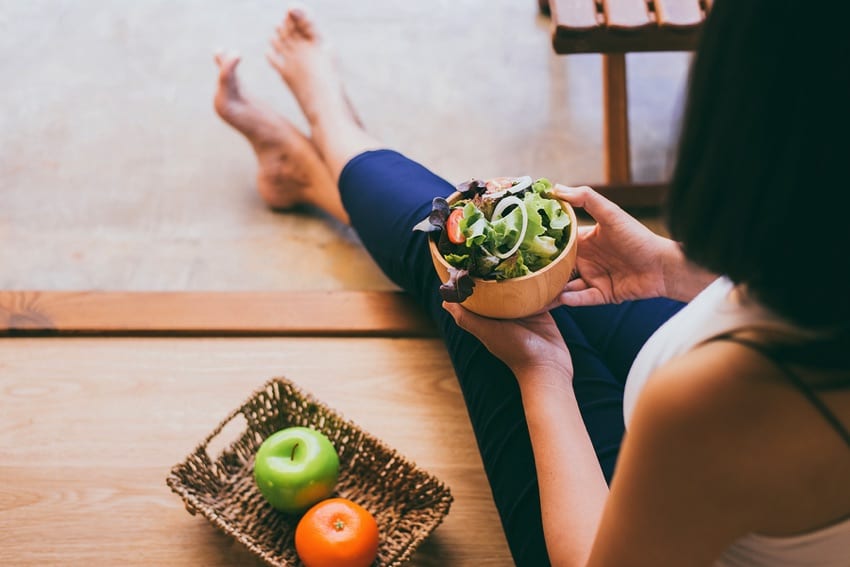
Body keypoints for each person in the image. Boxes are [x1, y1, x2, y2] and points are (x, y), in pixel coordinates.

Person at [212, 2, 850, 565]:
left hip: (622, 532)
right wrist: (671, 269)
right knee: (490, 259)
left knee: (451, 265)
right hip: (745, 409)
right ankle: (312, 164)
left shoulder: (708, 403)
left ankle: (329, 126)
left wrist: (542, 372)